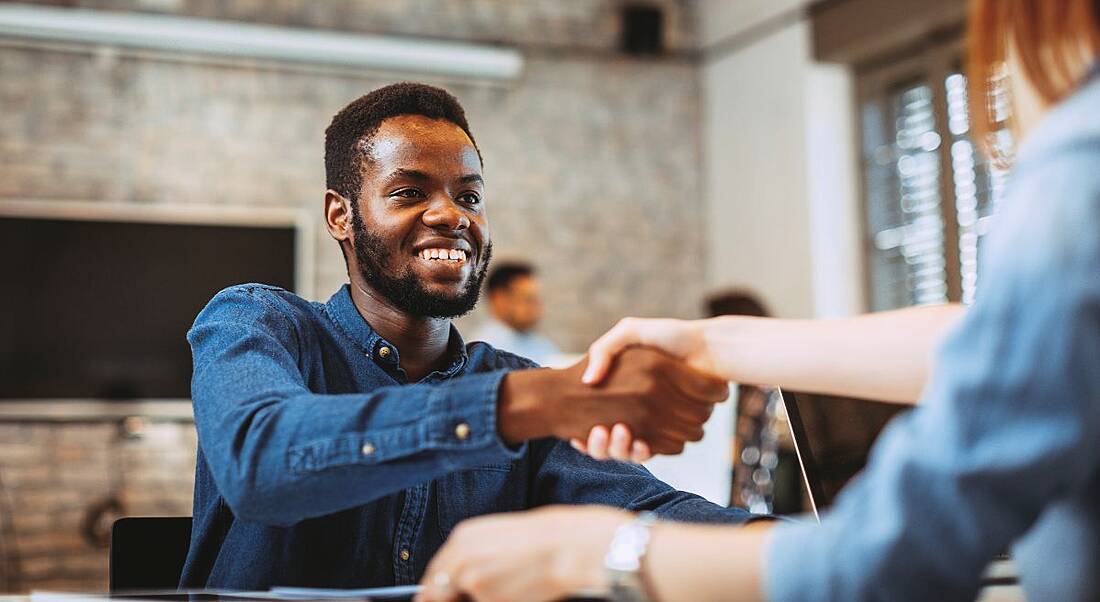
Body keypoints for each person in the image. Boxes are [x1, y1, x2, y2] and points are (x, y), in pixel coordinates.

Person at [418, 1, 1100, 600]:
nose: (449, 219)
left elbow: (887, 563)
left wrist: (596, 554)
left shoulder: (1079, 165)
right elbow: (1010, 345)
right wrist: (714, 343)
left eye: (469, 197)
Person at [180, 82, 761, 590]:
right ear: (341, 216)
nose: (452, 215)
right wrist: (530, 403)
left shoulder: (513, 379)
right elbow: (260, 461)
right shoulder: (256, 322)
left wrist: (824, 550)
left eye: (469, 196)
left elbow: (657, 511)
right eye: (409, 192)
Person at [471, 262, 561, 365]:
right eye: (528, 299)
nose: (537, 307)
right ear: (499, 299)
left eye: (537, 299)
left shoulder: (541, 344)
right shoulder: (483, 353)